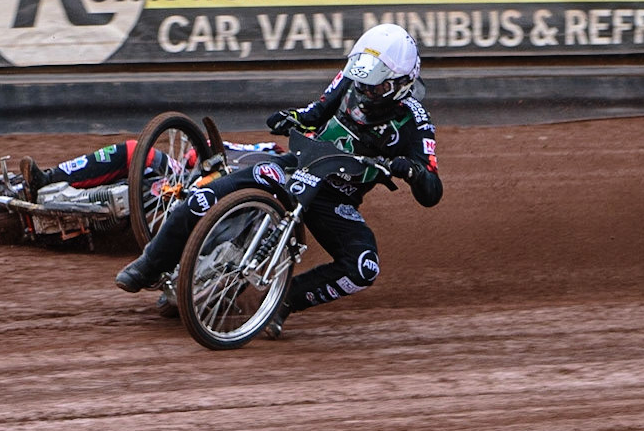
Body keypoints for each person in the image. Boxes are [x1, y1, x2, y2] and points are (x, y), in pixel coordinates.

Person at [114, 23, 443, 336]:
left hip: (336, 199)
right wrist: (293, 117)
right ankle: (150, 264)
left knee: (363, 266)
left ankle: (285, 300)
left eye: (378, 85)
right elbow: (315, 112)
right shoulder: (350, 81)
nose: (367, 91)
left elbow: (432, 190)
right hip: (296, 166)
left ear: (403, 83)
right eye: (363, 80)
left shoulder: (415, 120)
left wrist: (411, 170)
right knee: (204, 197)